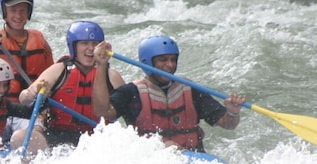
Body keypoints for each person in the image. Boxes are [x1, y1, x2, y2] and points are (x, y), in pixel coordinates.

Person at [92, 35, 245, 152]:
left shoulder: (190, 90)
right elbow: (102, 111)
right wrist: (101, 66)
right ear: (147, 63)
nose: (170, 65)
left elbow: (228, 125)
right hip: (152, 162)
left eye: (173, 59)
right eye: (163, 60)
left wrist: (232, 113)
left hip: (193, 160)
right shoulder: (131, 92)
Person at [16, 21, 125, 149]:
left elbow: (129, 109)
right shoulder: (59, 70)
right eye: (84, 43)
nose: (90, 48)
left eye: (95, 44)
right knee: (19, 138)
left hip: (97, 138)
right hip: (58, 134)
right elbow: (23, 99)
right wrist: (32, 92)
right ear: (73, 47)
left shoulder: (111, 76)